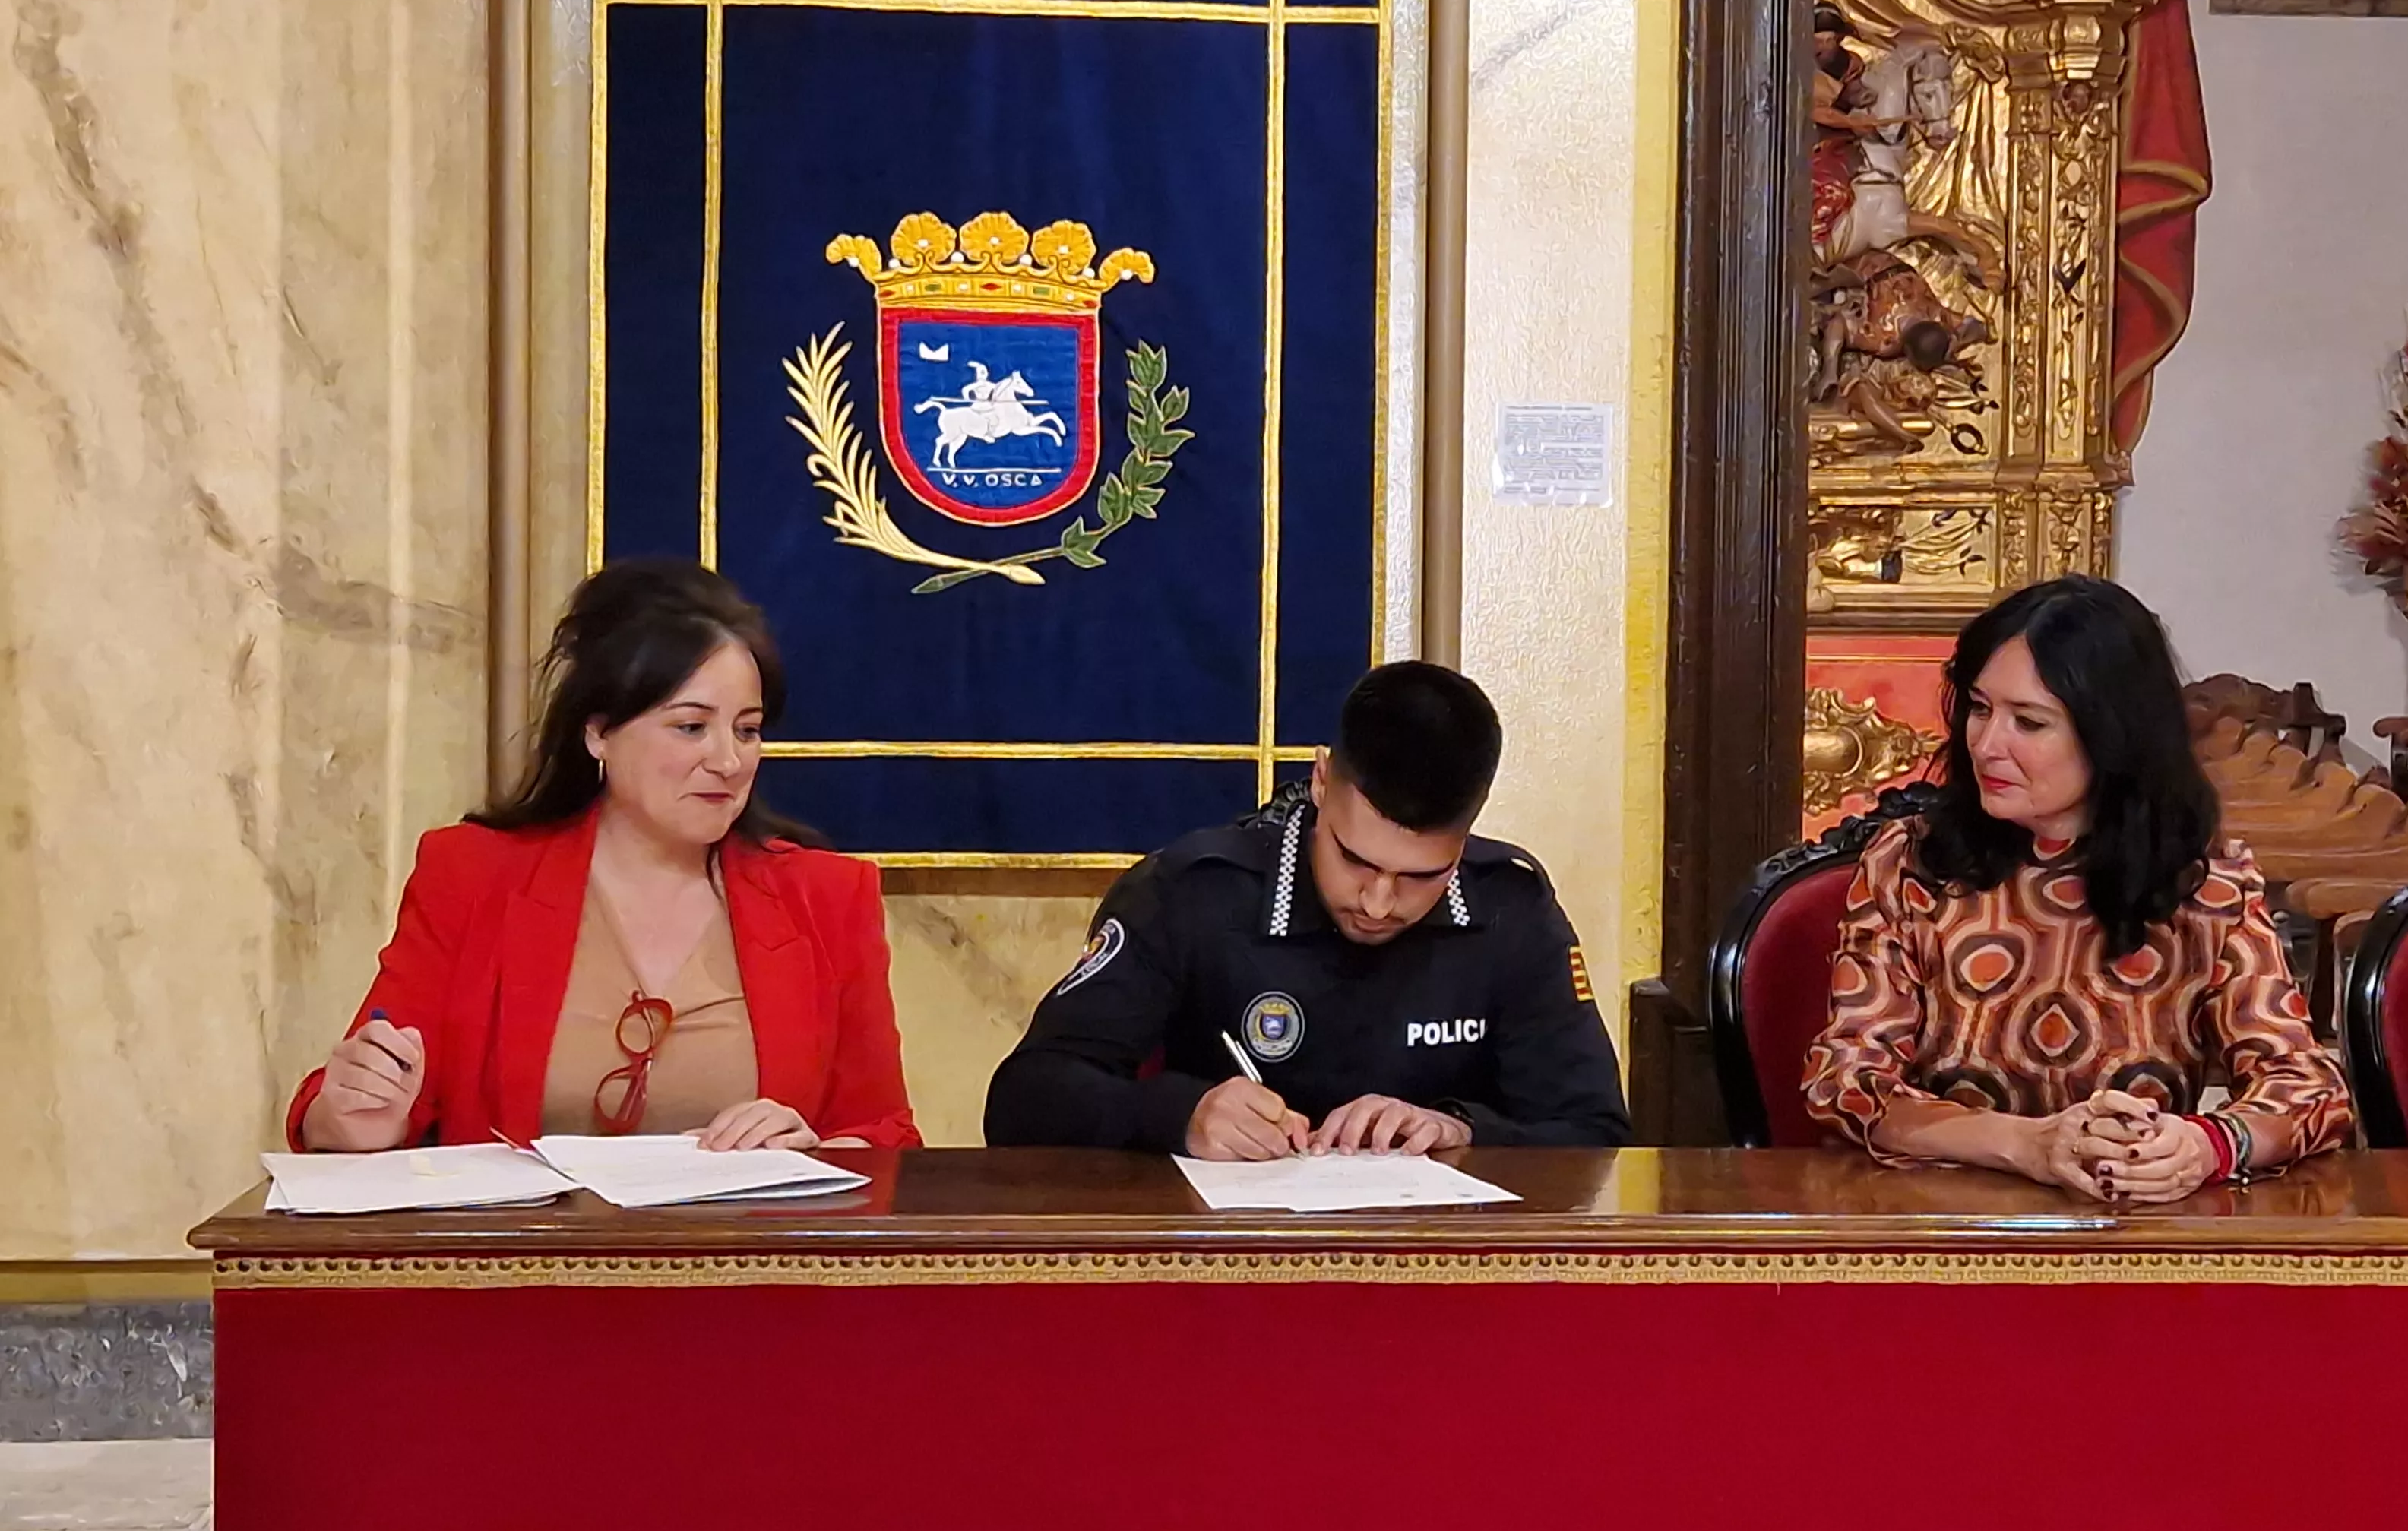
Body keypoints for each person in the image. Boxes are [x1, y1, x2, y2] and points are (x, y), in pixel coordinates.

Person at [288, 561, 920, 1153]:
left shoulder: (828, 897)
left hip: (744, 1263)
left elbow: (885, 1135)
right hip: (522, 1265)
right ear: (599, 733)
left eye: (747, 730)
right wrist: (350, 1113)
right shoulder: (473, 877)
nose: (728, 762)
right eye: (691, 727)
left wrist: (818, 1153)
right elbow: (368, 1096)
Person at [1802, 577, 2353, 1200]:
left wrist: (2207, 1145)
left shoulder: (2203, 883)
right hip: (1945, 1217)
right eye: (1980, 709)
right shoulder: (1909, 864)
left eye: (2029, 723)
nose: (1985, 745)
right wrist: (2025, 1144)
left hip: (2134, 1220)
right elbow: (1845, 1082)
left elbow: (2310, 1088)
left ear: (2112, 736)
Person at [984, 662, 1631, 1158]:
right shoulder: (1194, 892)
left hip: (1439, 1272)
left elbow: (1596, 1134)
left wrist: (1462, 1129)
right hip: (1225, 1275)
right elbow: (1024, 1100)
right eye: (1356, 861)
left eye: (1421, 877)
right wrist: (1181, 1115)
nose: (1379, 903)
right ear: (1322, 778)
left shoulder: (1510, 907)